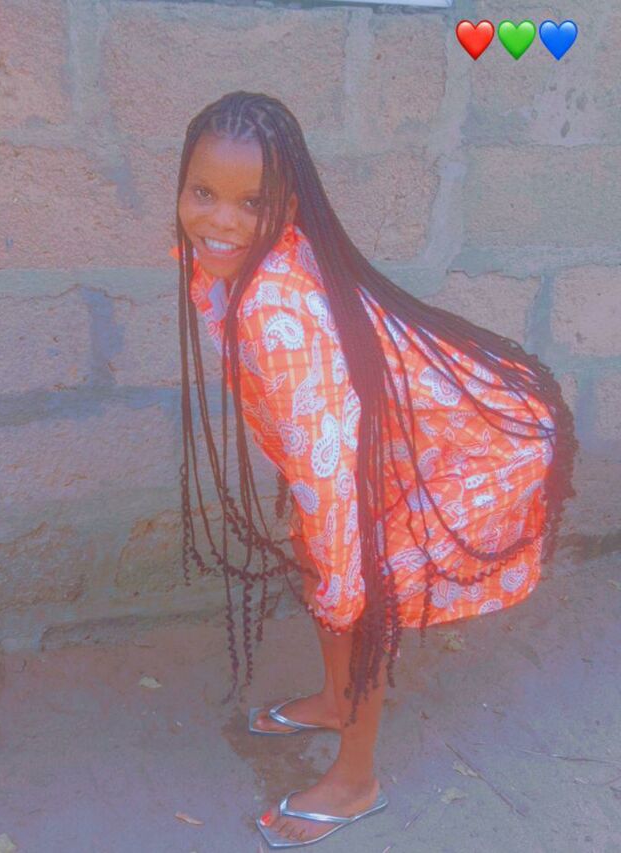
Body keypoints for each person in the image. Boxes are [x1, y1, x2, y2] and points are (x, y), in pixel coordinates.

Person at [173, 91, 577, 848]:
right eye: (204, 193)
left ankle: (356, 781)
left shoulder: (277, 313)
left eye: (251, 202)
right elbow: (320, 439)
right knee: (326, 569)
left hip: (467, 447)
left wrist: (341, 578)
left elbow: (330, 471)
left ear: (289, 203)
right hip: (381, 443)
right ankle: (337, 700)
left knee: (356, 600)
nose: (221, 220)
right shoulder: (253, 262)